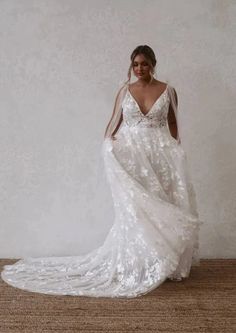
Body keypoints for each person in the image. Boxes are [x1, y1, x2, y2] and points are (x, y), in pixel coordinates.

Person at [1, 45, 203, 298]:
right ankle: (141, 263)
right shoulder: (125, 91)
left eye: (145, 64)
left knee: (163, 204)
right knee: (138, 211)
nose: (140, 69)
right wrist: (108, 146)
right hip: (132, 157)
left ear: (154, 64)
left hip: (161, 156)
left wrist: (176, 152)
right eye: (136, 64)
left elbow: (173, 123)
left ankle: (167, 262)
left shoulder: (168, 90)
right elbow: (113, 123)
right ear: (131, 66)